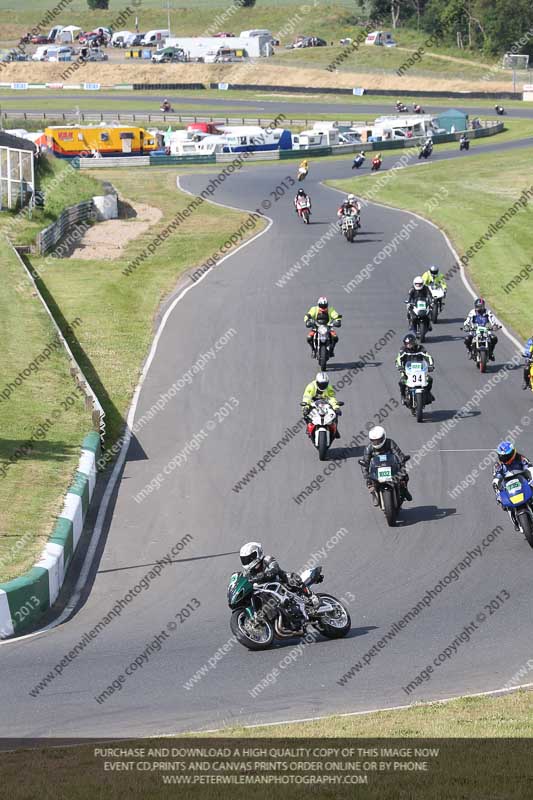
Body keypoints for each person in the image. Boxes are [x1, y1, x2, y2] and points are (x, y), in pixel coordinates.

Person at [239, 543, 318, 630]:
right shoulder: (248, 572)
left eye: (249, 558)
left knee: (292, 578)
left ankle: (311, 596)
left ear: (257, 554)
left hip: (281, 583)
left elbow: (274, 569)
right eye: (244, 559)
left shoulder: (267, 559)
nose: (247, 561)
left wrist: (262, 575)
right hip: (266, 591)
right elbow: (246, 580)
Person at [360, 426, 412, 506]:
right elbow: (365, 462)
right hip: (377, 469)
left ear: (384, 437)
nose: (376, 443)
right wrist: (366, 474)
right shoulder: (368, 448)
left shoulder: (390, 442)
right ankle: (374, 493)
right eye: (374, 441)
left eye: (378, 440)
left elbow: (398, 452)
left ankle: (404, 490)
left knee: (404, 476)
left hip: (391, 466)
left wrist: (402, 459)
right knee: (369, 481)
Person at [492, 442, 533, 530]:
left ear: (513, 452)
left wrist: (531, 478)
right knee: (504, 505)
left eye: (507, 455)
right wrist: (498, 493)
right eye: (502, 456)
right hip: (508, 486)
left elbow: (529, 467)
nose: (504, 458)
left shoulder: (520, 458)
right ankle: (515, 520)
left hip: (523, 481)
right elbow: (496, 479)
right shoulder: (498, 465)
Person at [396, 333, 435, 404]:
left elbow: (428, 356)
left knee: (429, 379)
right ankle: (403, 396)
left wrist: (431, 365)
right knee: (402, 382)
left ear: (414, 342)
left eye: (410, 343)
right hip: (407, 372)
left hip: (420, 371)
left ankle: (428, 393)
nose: (409, 345)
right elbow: (398, 359)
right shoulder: (403, 350)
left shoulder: (420, 348)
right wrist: (399, 367)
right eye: (407, 344)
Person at [301, 371, 341, 437]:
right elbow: (306, 397)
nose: (323, 386)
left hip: (325, 403)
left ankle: (335, 429)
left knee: (335, 414)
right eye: (321, 384)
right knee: (305, 415)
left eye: (325, 384)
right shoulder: (311, 387)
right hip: (312, 403)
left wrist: (336, 407)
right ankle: (308, 427)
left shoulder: (329, 387)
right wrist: (306, 407)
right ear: (317, 382)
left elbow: (332, 398)